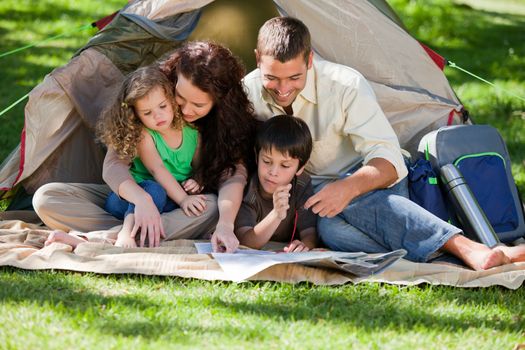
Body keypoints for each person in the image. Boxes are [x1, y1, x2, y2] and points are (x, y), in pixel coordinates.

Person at [242, 16, 525, 270]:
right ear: (257, 59)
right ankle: (451, 253)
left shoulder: (345, 85)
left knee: (345, 209)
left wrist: (347, 187)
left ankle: (465, 248)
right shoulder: (249, 91)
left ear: (310, 60)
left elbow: (388, 163)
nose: (282, 89)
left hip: (371, 181)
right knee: (331, 232)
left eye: (294, 77)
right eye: (271, 78)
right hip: (315, 198)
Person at [36, 41, 257, 252]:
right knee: (47, 198)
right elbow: (114, 165)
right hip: (132, 194)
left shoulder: (223, 126)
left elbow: (232, 174)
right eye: (180, 97)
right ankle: (141, 229)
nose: (187, 110)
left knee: (213, 208)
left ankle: (106, 237)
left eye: (198, 104)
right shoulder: (152, 95)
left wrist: (226, 224)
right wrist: (141, 200)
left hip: (176, 204)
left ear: (219, 101)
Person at [235, 115, 317, 252]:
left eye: (285, 166)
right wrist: (276, 215)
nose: (273, 172)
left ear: (301, 167)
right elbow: (245, 241)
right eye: (267, 161)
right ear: (257, 156)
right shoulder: (248, 187)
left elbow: (310, 233)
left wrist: (304, 245)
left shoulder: (301, 185)